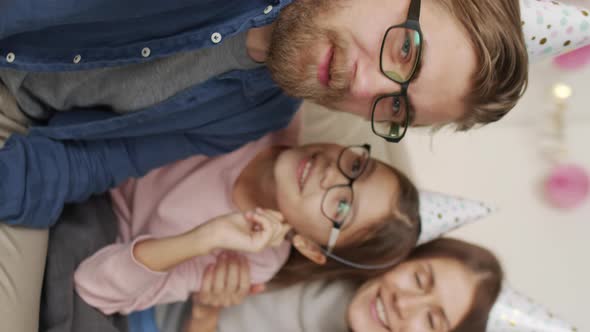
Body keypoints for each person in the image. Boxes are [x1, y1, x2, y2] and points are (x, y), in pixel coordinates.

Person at [0, 0, 528, 329]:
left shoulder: (256, 112)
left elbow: (91, 163)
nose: (367, 86)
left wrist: (206, 266)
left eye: (394, 107)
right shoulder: (277, 124)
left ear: (308, 246)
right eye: (408, 51)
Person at [171, 238, 502, 332]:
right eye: (418, 278)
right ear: (401, 258)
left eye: (431, 321)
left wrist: (205, 314)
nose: (405, 303)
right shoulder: (323, 250)